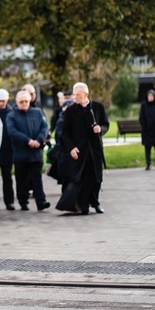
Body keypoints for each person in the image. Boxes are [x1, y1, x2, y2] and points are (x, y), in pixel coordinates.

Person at [56, 82, 109, 215]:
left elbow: (105, 124)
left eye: (78, 95)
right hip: (79, 150)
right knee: (82, 178)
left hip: (95, 149)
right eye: (74, 95)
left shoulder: (97, 107)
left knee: (97, 178)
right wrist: (71, 148)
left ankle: (95, 202)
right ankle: (83, 205)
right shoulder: (71, 111)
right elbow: (65, 133)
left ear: (86, 94)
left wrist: (100, 129)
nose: (75, 98)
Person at [7, 90, 51, 211]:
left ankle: (41, 202)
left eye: (26, 101)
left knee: (37, 178)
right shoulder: (12, 115)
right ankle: (23, 201)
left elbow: (44, 126)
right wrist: (28, 141)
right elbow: (12, 131)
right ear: (17, 102)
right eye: (21, 102)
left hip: (36, 152)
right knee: (22, 179)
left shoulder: (37, 112)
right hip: (21, 153)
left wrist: (40, 140)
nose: (24, 103)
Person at [0, 89, 15, 213]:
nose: (1, 104)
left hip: (7, 149)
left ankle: (9, 201)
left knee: (7, 177)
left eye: (3, 101)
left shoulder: (11, 112)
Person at [139, 89, 155, 171]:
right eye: (149, 96)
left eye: (151, 96)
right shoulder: (144, 105)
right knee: (147, 148)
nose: (150, 97)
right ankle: (148, 163)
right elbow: (141, 117)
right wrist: (145, 126)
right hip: (146, 130)